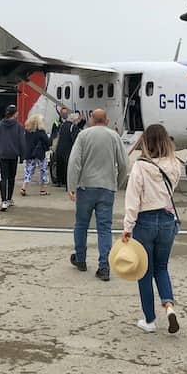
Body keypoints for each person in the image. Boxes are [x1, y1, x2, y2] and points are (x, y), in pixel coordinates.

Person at [122, 123, 183, 334]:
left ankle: (149, 320)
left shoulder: (140, 166)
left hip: (145, 220)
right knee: (162, 267)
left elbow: (133, 199)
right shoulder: (175, 164)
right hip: (167, 219)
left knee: (144, 271)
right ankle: (169, 307)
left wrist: (127, 227)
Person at [67, 109, 129, 281]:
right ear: (107, 120)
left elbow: (74, 163)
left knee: (81, 224)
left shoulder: (83, 136)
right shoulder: (114, 137)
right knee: (104, 229)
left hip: (86, 187)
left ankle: (80, 259)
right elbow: (124, 163)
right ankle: (104, 267)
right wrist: (117, 182)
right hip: (107, 188)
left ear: (92, 120)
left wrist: (71, 186)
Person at [0, 104, 26, 211]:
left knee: (3, 178)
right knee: (11, 177)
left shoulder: (0, 125)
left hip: (2, 154)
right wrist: (22, 156)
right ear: (14, 114)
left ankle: (3, 201)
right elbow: (22, 142)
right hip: (13, 155)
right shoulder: (19, 126)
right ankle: (9, 198)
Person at [22, 113, 51, 196]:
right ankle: (42, 190)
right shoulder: (41, 132)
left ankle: (24, 187)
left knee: (28, 171)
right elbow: (47, 142)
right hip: (39, 154)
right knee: (43, 171)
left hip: (29, 154)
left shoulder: (27, 131)